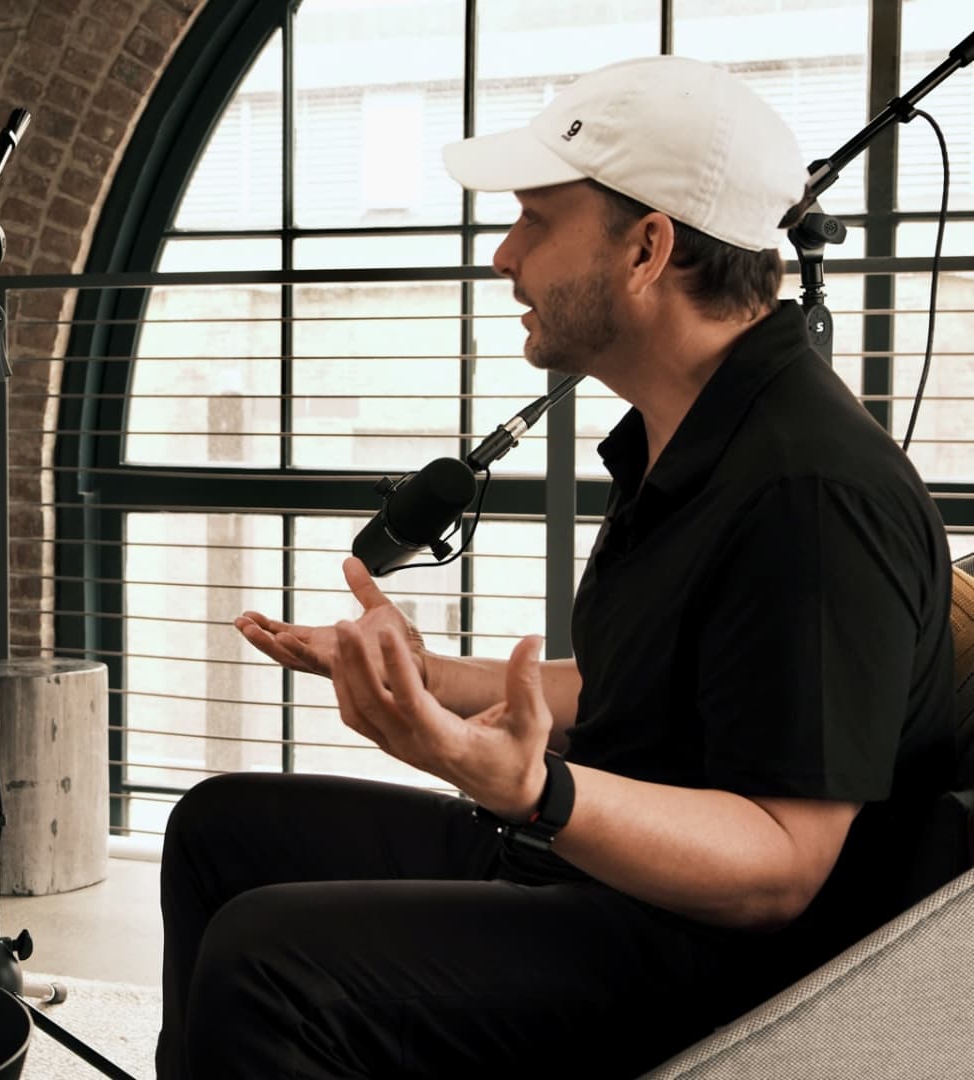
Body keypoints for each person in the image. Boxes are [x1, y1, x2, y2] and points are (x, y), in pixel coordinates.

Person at [158, 56, 958, 1079]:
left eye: (536, 219)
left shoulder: (809, 492)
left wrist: (535, 790)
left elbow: (779, 866)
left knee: (270, 963)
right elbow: (645, 689)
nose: (504, 255)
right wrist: (427, 680)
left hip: (723, 960)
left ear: (647, 248)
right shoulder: (684, 432)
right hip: (597, 870)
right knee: (222, 831)